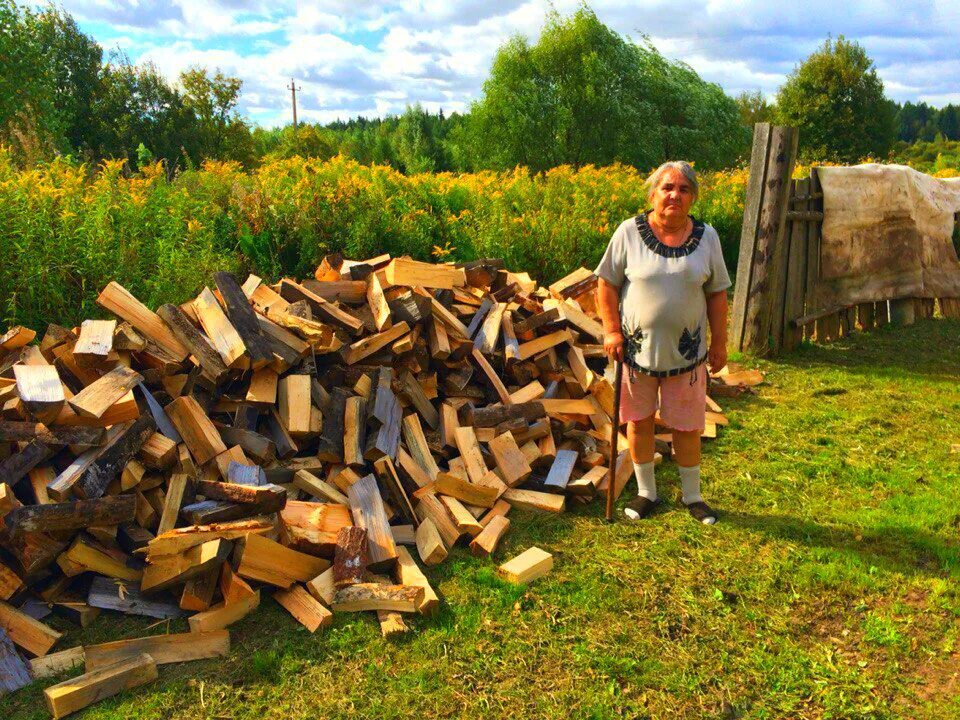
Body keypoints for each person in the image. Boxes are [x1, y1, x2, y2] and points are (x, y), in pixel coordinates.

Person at [594, 161, 731, 524]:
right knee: (639, 423)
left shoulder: (708, 237)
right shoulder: (628, 233)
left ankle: (693, 496)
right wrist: (611, 331)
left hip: (687, 355)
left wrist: (720, 343)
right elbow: (606, 284)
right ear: (652, 194)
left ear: (692, 198)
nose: (675, 195)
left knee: (687, 425)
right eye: (667, 188)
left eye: (684, 189)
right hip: (636, 352)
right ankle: (646, 493)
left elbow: (717, 294)